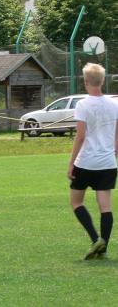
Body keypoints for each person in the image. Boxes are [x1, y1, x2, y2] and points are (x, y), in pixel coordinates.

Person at [68, 63, 118, 260]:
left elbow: (80, 136)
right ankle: (103, 246)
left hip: (86, 162)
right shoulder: (114, 104)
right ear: (103, 81)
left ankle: (95, 238)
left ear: (86, 81)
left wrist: (71, 163)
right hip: (107, 163)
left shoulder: (82, 104)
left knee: (76, 201)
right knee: (105, 206)